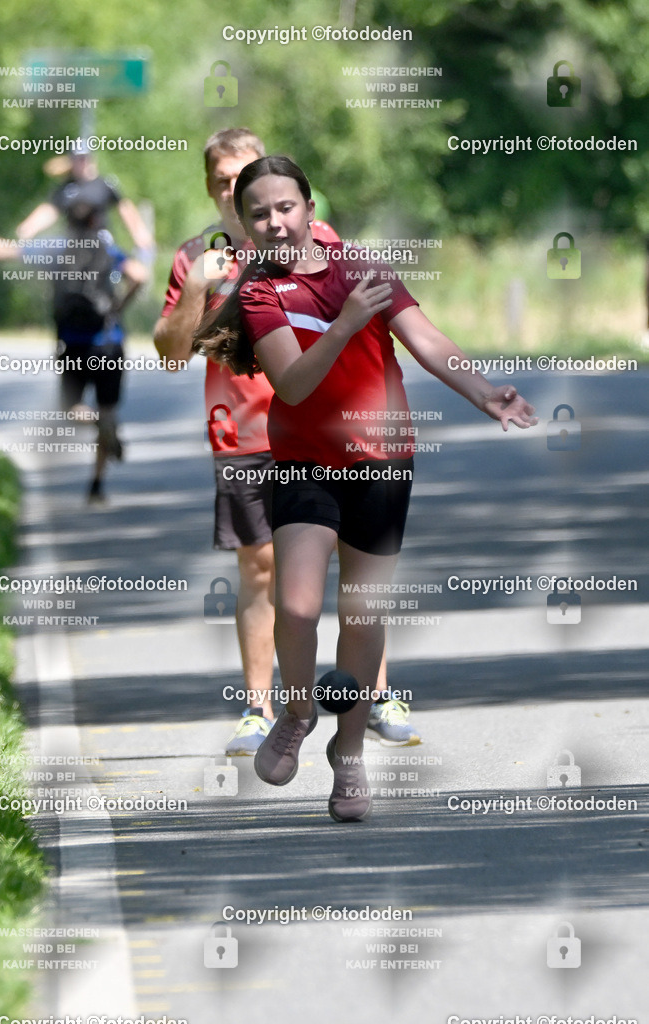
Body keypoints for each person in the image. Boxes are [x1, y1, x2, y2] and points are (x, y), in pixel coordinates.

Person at [192, 155, 537, 822]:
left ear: (309, 210)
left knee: (362, 617)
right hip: (303, 463)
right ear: (246, 223)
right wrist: (346, 323)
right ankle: (296, 711)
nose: (274, 221)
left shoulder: (364, 270)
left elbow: (426, 338)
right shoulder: (261, 294)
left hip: (382, 463)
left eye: (285, 207)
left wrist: (484, 392)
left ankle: (348, 757)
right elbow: (292, 384)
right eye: (258, 212)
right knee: (295, 607)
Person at [154, 128, 420, 755]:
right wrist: (196, 289)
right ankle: (261, 708)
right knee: (262, 568)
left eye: (240, 174)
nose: (230, 188)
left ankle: (374, 692)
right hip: (244, 429)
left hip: (330, 430)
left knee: (355, 568)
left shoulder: (320, 243)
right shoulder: (198, 256)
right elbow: (169, 355)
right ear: (214, 191)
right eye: (220, 180)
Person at [0, 200, 147, 501]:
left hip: (72, 343)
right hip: (109, 341)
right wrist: (119, 306)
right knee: (109, 410)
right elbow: (139, 276)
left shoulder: (55, 247)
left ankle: (98, 425)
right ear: (97, 220)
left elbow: (0, 250)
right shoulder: (108, 247)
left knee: (71, 408)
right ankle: (97, 484)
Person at [16, 143, 154, 254]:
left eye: (85, 158)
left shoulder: (104, 184)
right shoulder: (66, 188)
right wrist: (29, 227)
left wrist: (139, 233)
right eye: (78, 159)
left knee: (136, 275)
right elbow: (49, 210)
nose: (82, 163)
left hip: (101, 241)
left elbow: (125, 208)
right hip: (72, 243)